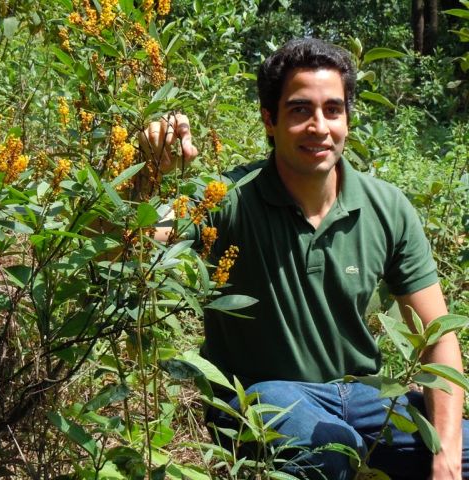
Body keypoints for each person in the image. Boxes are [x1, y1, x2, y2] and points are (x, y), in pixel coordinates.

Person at [139, 38, 468, 479]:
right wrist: (146, 176)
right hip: (263, 396)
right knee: (332, 450)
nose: (319, 126)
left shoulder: (386, 207)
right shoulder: (229, 197)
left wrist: (444, 451)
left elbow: (437, 339)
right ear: (269, 120)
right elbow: (131, 244)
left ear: (348, 119)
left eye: (332, 110)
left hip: (363, 398)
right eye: (299, 111)